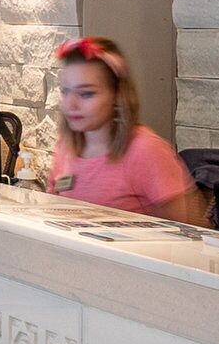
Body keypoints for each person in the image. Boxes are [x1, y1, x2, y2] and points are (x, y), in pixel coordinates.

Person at [42, 36, 207, 225]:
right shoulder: (66, 146)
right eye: (65, 91)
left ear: (117, 96)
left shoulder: (146, 150)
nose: (71, 104)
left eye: (86, 93)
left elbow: (191, 234)